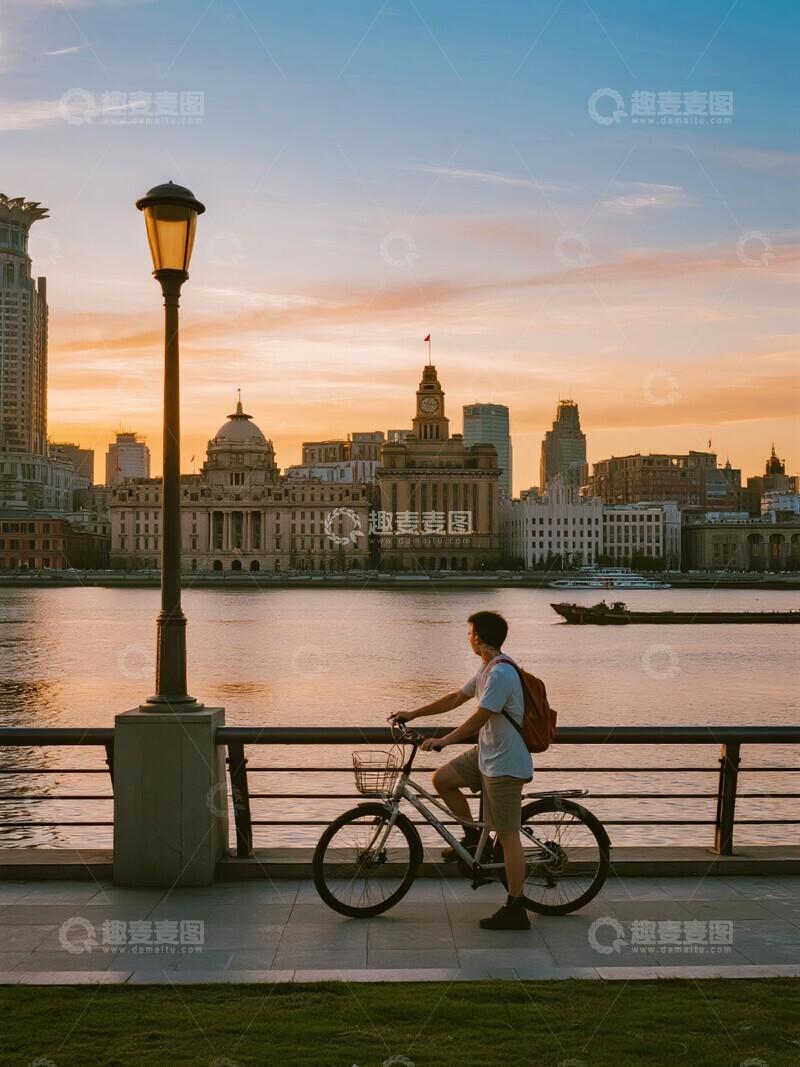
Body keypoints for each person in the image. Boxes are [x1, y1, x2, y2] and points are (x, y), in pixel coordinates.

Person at [392, 610, 533, 931]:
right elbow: (456, 697)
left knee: (509, 835)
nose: (468, 637)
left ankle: (516, 909)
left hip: (506, 763)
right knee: (443, 779)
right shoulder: (486, 668)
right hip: (486, 754)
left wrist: (444, 740)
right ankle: (471, 841)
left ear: (479, 638)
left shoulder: (500, 674)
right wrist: (412, 713)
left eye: (470, 633)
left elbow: (480, 717)